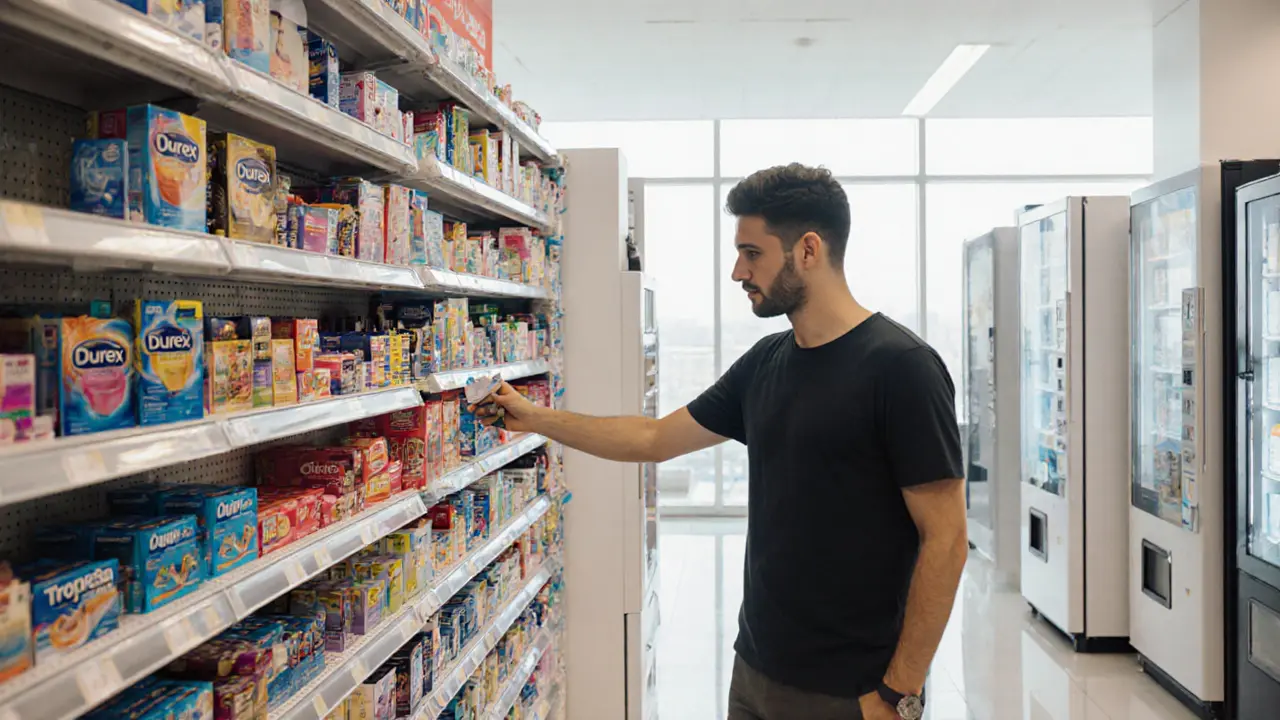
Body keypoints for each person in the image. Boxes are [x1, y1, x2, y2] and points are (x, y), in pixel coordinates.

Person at [476, 163, 968, 720]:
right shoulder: (765, 364)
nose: (738, 271)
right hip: (756, 669)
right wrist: (536, 418)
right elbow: (653, 437)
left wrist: (897, 692)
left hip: (853, 690)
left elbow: (947, 540)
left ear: (808, 250)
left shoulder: (903, 368)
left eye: (752, 252)